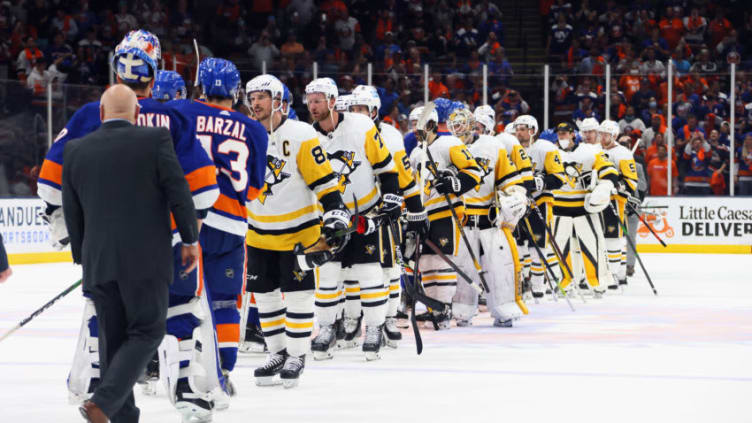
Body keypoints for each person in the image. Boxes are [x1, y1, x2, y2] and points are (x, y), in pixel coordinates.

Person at [37, 30, 223, 421]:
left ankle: (97, 383)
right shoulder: (172, 118)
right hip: (161, 244)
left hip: (101, 249)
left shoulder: (89, 115)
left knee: (105, 320)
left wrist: (76, 240)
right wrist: (189, 233)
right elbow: (203, 191)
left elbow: (52, 187)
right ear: (155, 75)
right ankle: (187, 387)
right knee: (177, 311)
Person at [64, 84, 200, 423]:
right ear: (137, 113)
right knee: (148, 331)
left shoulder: (76, 149)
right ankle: (104, 401)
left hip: (100, 263)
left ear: (101, 114)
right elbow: (178, 192)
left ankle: (124, 417)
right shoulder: (154, 140)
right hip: (145, 261)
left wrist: (84, 257)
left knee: (114, 340)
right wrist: (190, 238)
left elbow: (72, 211)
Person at [171, 57, 268, 395]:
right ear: (236, 90)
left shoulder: (181, 112)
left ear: (199, 85)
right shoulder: (254, 129)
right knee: (225, 303)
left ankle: (172, 371)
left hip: (182, 224)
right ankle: (222, 374)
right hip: (229, 227)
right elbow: (254, 191)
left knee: (177, 301)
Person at [244, 74, 348, 387]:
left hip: (299, 233)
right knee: (264, 297)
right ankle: (276, 352)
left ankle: (297, 354)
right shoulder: (246, 133)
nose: (256, 103)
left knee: (300, 296)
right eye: (252, 97)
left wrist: (335, 211)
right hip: (258, 233)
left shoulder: (301, 133)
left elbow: (324, 180)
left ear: (278, 100)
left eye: (262, 96)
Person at [306, 77, 400, 360]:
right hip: (328, 217)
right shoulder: (307, 136)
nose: (313, 106)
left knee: (369, 272)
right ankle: (326, 327)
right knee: (328, 276)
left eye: (318, 100)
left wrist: (392, 197)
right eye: (309, 102)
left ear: (333, 101)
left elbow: (386, 165)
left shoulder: (361, 127)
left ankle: (374, 328)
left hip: (364, 213)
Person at [348, 85, 428, 346]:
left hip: (387, 213)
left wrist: (416, 210)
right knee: (350, 270)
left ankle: (388, 318)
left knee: (390, 269)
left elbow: (404, 176)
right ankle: (350, 319)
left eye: (361, 108)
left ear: (373, 110)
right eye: (353, 108)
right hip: (353, 213)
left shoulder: (391, 136)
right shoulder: (345, 131)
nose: (356, 113)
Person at [409, 101, 483, 329]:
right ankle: (434, 308)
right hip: (424, 215)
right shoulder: (415, 152)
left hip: (445, 211)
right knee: (426, 262)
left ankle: (444, 309)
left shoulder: (449, 143)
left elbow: (474, 171)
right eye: (412, 124)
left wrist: (453, 183)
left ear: (430, 124)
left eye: (418, 124)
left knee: (443, 261)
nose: (414, 129)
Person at [451, 108, 527, 327]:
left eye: (462, 125)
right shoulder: (446, 147)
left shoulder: (493, 146)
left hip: (490, 218)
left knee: (500, 266)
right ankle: (461, 310)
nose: (458, 130)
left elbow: (509, 179)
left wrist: (516, 196)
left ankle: (504, 309)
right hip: (461, 220)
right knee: (463, 268)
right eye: (454, 126)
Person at [551, 122, 619, 296]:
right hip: (559, 208)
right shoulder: (552, 153)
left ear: (573, 134)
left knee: (593, 247)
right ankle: (565, 283)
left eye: (565, 133)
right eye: (559, 133)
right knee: (561, 248)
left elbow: (609, 170)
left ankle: (598, 282)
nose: (561, 136)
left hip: (584, 208)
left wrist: (605, 186)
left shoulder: (590, 151)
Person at [600, 121, 639, 288]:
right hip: (597, 201)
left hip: (615, 202)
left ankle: (616, 274)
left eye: (606, 134)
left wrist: (617, 187)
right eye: (601, 133)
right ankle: (613, 273)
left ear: (614, 135)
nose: (602, 137)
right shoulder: (596, 150)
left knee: (614, 239)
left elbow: (631, 180)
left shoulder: (623, 153)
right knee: (602, 239)